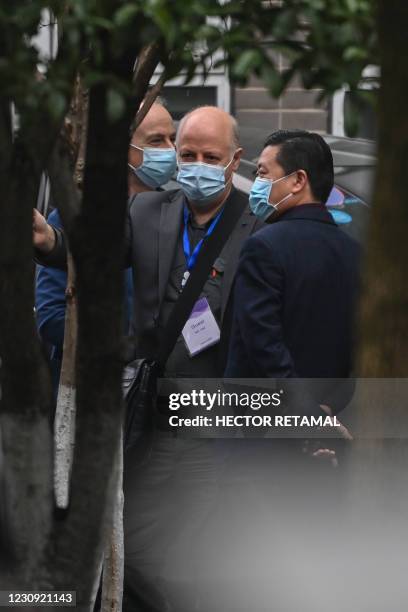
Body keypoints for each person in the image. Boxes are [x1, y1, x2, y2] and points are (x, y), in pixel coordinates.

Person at [33, 105, 264, 610]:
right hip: (149, 417)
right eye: (187, 154)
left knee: (193, 552)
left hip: (215, 419)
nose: (197, 164)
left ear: (234, 160)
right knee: (133, 546)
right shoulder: (148, 211)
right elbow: (96, 257)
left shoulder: (257, 226)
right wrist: (52, 242)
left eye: (211, 156)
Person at [35, 100, 177, 397]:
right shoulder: (77, 214)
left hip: (163, 392)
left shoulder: (176, 212)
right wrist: (125, 352)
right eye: (156, 141)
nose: (170, 150)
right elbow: (51, 319)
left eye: (172, 139)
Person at [225, 129, 360, 418]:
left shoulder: (264, 247)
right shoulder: (354, 252)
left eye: (262, 173)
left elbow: (262, 344)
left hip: (263, 429)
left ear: (298, 180)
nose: (258, 184)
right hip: (328, 419)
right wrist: (324, 410)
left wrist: (304, 415)